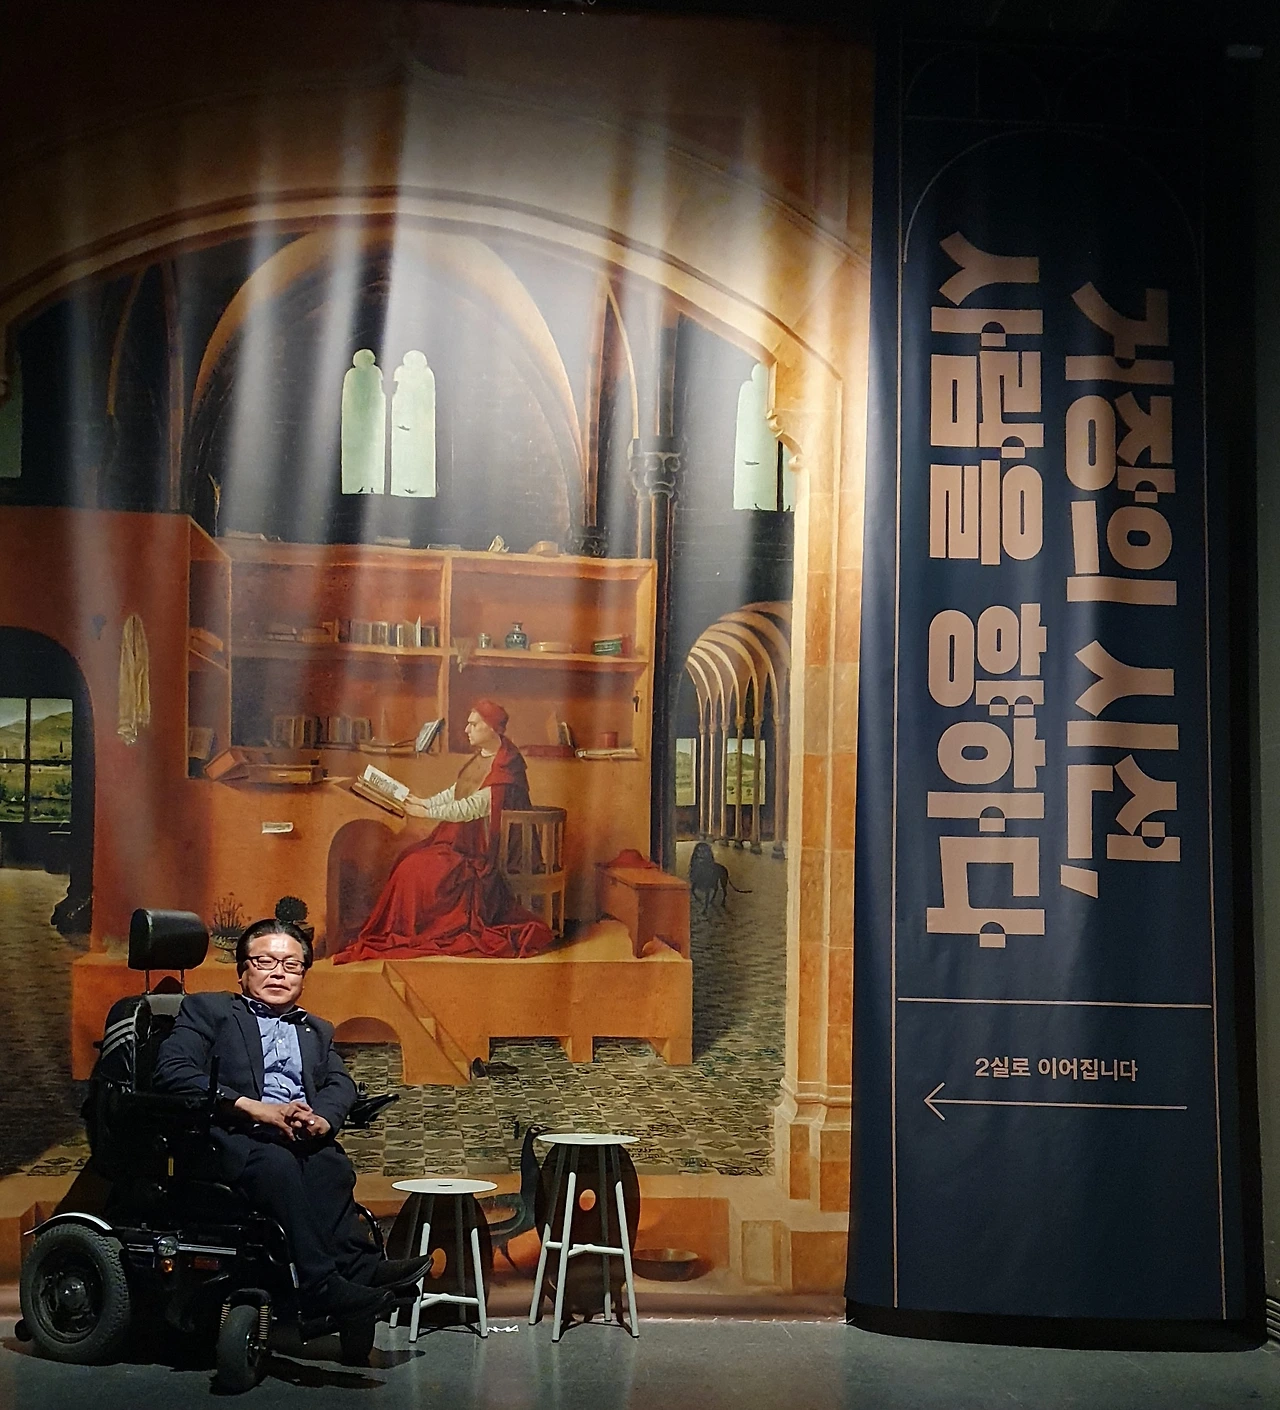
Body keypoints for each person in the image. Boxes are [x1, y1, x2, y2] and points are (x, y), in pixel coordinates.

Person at [152, 918, 432, 1321]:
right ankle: (318, 1286)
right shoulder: (210, 1010)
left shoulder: (316, 1029)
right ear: (242, 971)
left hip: (293, 1136)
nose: (278, 973)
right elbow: (173, 1071)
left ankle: (360, 1269)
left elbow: (339, 1082)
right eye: (265, 962)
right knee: (278, 1164)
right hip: (228, 1134)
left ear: (303, 976)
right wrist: (252, 1106)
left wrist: (324, 1118)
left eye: (291, 965)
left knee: (330, 1164)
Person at [336, 698, 555, 961]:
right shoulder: (483, 758)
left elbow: (470, 807)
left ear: (492, 728)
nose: (466, 729)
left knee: (416, 869)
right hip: (463, 842)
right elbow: (457, 791)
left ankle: (412, 931)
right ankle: (403, 928)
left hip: (482, 853)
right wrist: (422, 801)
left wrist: (425, 812)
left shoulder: (505, 767)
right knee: (409, 859)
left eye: (474, 724)